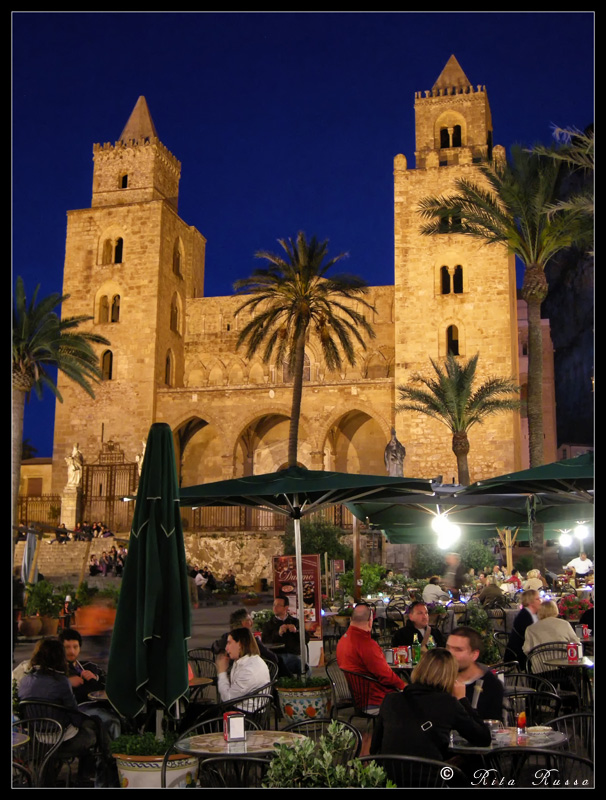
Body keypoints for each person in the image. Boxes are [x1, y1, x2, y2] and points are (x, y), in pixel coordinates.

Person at [370, 648, 491, 761]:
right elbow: (483, 739)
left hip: (390, 779)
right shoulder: (448, 704)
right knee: (475, 763)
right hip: (429, 778)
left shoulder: (391, 700)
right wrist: (462, 699)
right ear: (450, 676)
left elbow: (374, 747)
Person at [18, 638, 100, 785]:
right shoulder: (61, 681)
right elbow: (74, 714)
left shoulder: (25, 680)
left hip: (37, 739)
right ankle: (84, 777)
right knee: (92, 728)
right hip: (61, 740)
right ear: (59, 657)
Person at [336, 604, 405, 712]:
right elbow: (385, 676)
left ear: (351, 619)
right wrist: (405, 686)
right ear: (370, 620)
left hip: (359, 698)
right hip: (376, 700)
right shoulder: (366, 644)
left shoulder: (343, 641)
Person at [58, 628, 121, 740]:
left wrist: (95, 678)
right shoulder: (58, 671)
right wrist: (66, 682)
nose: (72, 651)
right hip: (79, 710)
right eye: (67, 647)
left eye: (75, 647)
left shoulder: (89, 666)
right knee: (112, 721)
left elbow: (107, 683)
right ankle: (116, 754)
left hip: (101, 705)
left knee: (124, 715)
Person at [446, 626, 504, 720]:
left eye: (458, 650)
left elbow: (490, 729)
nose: (450, 654)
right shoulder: (438, 678)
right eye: (448, 648)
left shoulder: (491, 685)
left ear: (474, 655)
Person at [216, 627, 271, 702]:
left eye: (229, 643)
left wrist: (222, 672)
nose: (226, 648)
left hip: (247, 712)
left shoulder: (249, 670)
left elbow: (228, 699)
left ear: (240, 644)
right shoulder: (242, 660)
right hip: (241, 706)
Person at [212, 608, 279, 669]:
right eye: (250, 620)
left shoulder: (226, 638)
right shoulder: (252, 641)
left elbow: (214, 647)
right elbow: (274, 658)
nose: (252, 623)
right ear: (244, 623)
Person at [261, 597, 309, 676]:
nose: (275, 608)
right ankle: (288, 683)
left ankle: (303, 686)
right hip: (276, 656)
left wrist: (296, 631)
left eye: (278, 605)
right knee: (280, 664)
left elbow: (306, 639)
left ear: (286, 607)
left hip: (293, 654)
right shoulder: (268, 624)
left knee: (305, 667)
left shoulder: (295, 622)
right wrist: (278, 633)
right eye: (274, 605)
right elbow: (265, 642)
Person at [504, 589, 542, 670]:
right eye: (537, 599)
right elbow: (529, 638)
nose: (540, 601)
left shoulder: (532, 614)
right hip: (520, 653)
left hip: (528, 649)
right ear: (530, 602)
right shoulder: (524, 616)